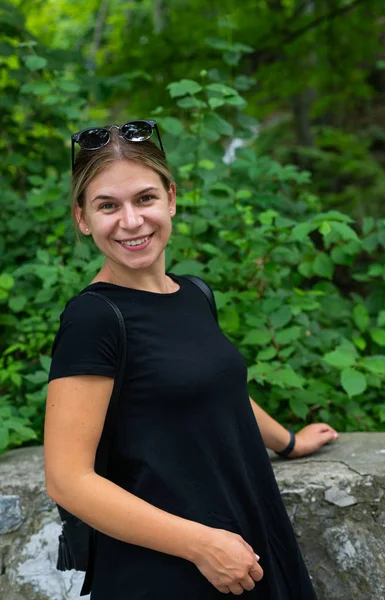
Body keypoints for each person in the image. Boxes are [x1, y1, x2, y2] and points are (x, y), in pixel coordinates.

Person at [44, 120, 338, 599]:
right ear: (83, 218)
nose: (132, 221)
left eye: (144, 198)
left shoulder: (194, 292)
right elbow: (67, 480)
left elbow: (217, 388)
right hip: (169, 568)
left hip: (244, 539)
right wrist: (201, 545)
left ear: (171, 199)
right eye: (107, 206)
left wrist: (288, 443)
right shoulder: (94, 318)